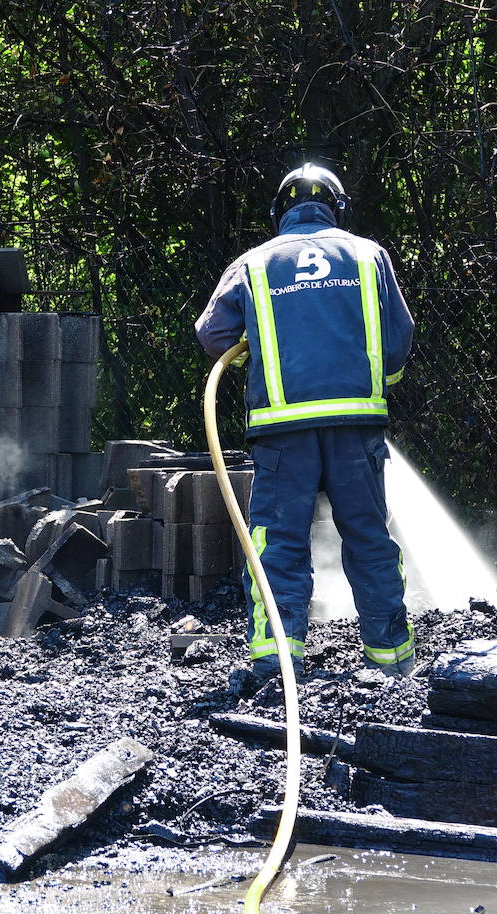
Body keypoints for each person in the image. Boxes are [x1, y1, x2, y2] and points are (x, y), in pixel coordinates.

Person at [194, 163, 415, 693]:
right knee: (368, 537)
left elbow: (212, 333)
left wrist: (252, 351)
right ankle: (391, 662)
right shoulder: (369, 255)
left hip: (281, 433)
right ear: (338, 207)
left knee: (278, 543)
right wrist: (375, 378)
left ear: (280, 211)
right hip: (355, 427)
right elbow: (399, 338)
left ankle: (277, 663)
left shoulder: (253, 264)